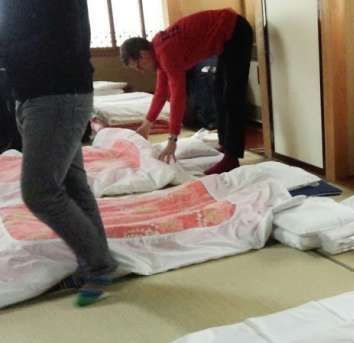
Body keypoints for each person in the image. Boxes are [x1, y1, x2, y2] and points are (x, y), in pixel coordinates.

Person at [0, 0, 119, 305]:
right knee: (72, 184)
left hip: (57, 96)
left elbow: (46, 41)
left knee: (39, 191)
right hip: (37, 95)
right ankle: (94, 263)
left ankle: (99, 263)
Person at [120, 9, 253, 175]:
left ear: (143, 54)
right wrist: (147, 124)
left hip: (235, 30)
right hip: (226, 38)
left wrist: (173, 138)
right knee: (219, 94)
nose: (142, 71)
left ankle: (231, 158)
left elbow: (178, 95)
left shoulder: (165, 51)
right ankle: (226, 145)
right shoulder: (158, 52)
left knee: (231, 96)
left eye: (139, 66)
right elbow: (161, 92)